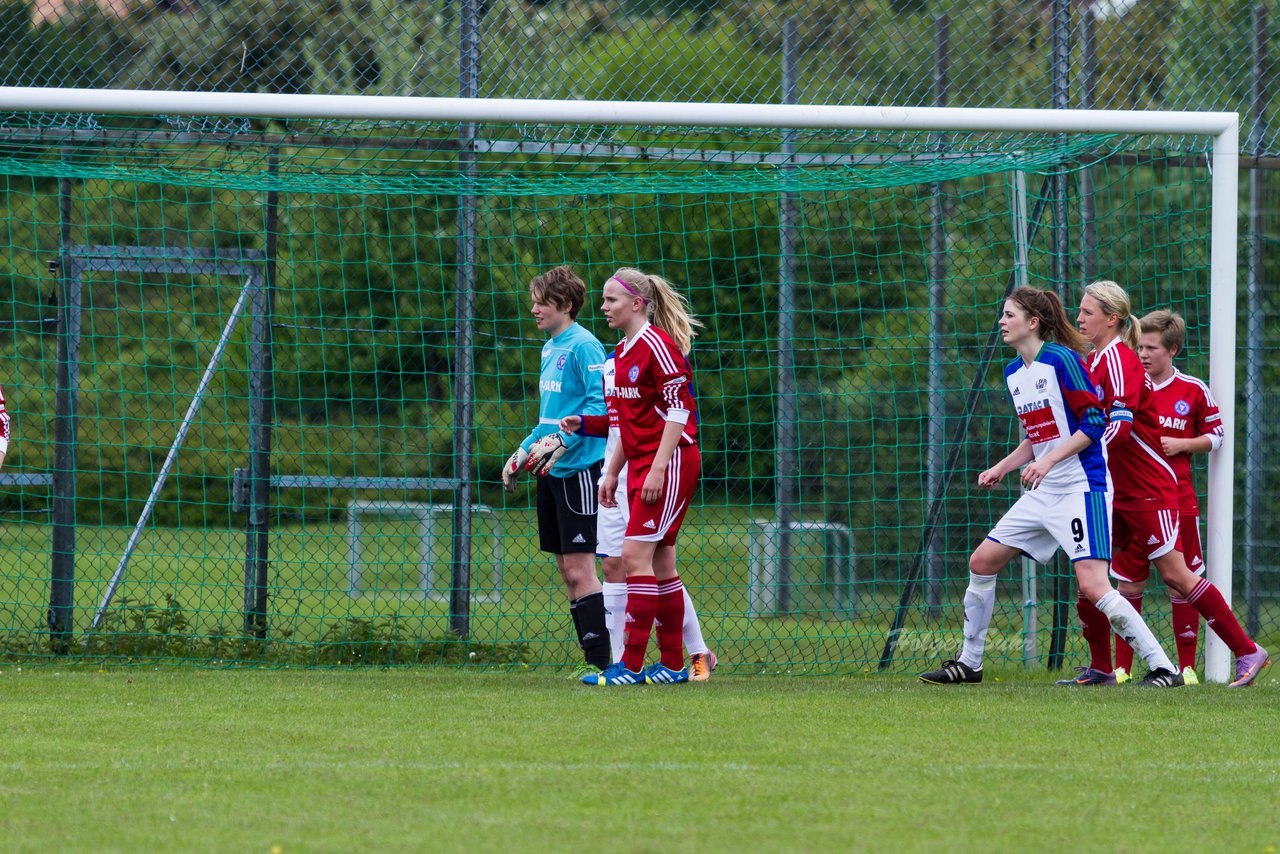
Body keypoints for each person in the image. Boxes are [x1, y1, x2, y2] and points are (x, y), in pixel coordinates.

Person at [919, 287, 1181, 687]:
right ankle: (970, 664)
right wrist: (1002, 468)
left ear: (1033, 322)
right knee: (981, 562)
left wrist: (1049, 461)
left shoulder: (1062, 360)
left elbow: (1093, 424)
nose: (1002, 322)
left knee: (1094, 586)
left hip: (1082, 487)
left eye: (1009, 315)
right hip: (1044, 490)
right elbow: (1037, 437)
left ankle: (1164, 668)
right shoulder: (1013, 373)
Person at [1069, 281, 1269, 688]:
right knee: (1091, 573)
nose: (1079, 318)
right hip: (1116, 488)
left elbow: (1120, 430)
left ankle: (1246, 650)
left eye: (1088, 312)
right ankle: (1104, 667)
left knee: (1177, 576)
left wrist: (1074, 463)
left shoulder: (1122, 361)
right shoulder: (1095, 361)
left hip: (1148, 487)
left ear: (1113, 318)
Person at [559, 267, 703, 686]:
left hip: (671, 462)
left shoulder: (657, 346)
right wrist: (611, 473)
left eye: (611, 300)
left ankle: (632, 667)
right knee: (660, 567)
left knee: (634, 558)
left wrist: (658, 467)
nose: (603, 307)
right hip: (640, 464)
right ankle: (675, 665)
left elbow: (679, 411)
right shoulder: (620, 354)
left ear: (637, 304)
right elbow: (622, 423)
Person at [501, 265, 611, 672]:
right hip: (549, 472)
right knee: (567, 570)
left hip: (579, 469)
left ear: (565, 304)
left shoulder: (584, 346)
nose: (533, 309)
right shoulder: (550, 346)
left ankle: (605, 664)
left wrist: (567, 442)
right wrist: (523, 449)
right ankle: (596, 659)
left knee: (581, 568)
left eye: (540, 302)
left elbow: (602, 407)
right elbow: (550, 418)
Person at [1110, 310, 1222, 684]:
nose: (1143, 354)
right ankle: (1121, 669)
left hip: (1178, 501)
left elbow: (1217, 434)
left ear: (1172, 349)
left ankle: (1187, 667)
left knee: (1181, 581)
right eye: (1139, 346)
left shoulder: (1193, 389)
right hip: (1131, 501)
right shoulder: (1129, 383)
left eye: (1152, 348)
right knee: (1127, 583)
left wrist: (1184, 443)